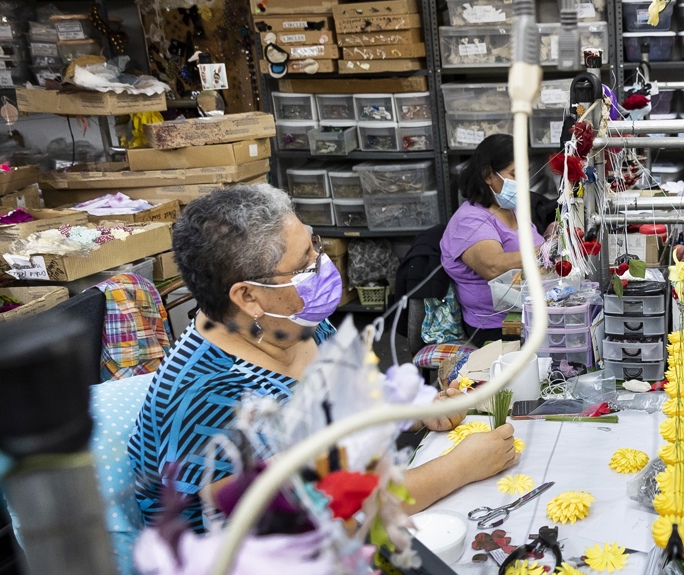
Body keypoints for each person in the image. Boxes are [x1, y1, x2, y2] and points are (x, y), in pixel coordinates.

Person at [127, 184, 517, 532]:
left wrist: (414, 410)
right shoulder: (212, 395)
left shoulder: (293, 323)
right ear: (248, 297)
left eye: (315, 246)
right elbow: (331, 514)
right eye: (304, 266)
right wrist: (459, 468)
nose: (323, 265)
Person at [441, 134, 543, 347]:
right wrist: (545, 250)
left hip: (527, 310)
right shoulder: (469, 221)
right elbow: (494, 266)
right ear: (488, 175)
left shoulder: (512, 208)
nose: (522, 183)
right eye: (514, 174)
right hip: (495, 327)